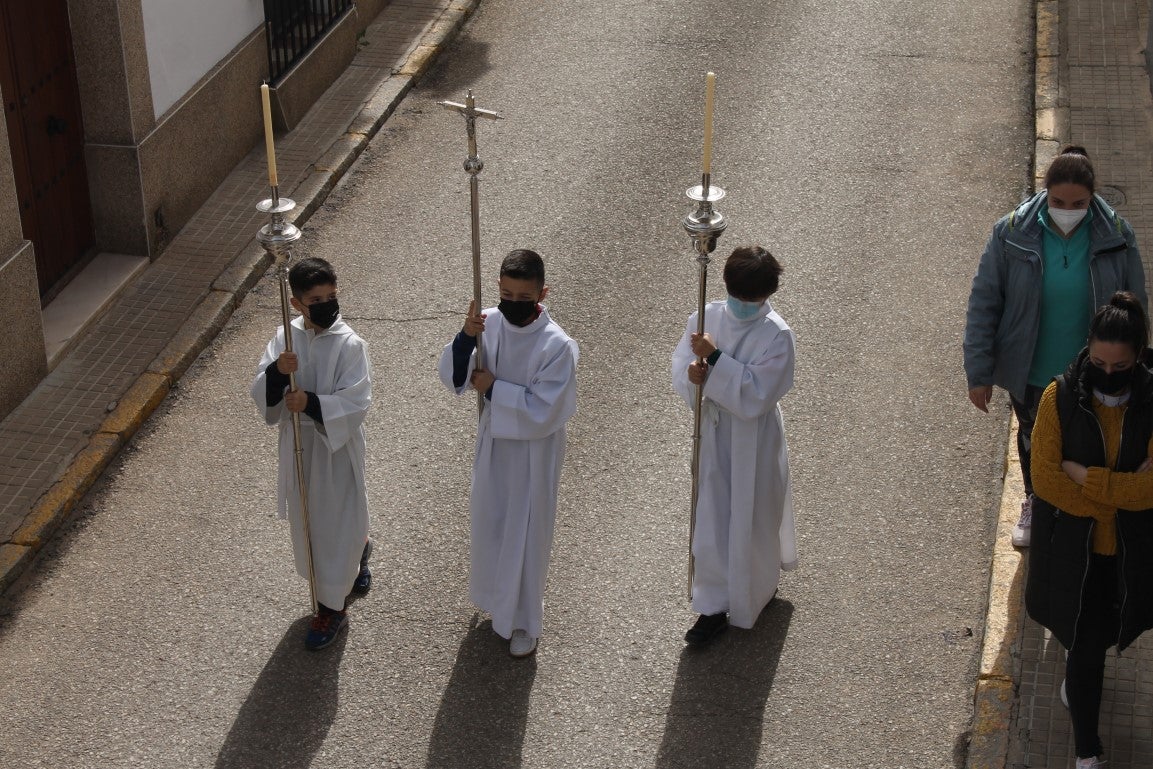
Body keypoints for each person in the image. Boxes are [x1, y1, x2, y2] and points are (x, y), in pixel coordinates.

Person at [964, 145, 1147, 548]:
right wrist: (979, 372)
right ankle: (1034, 501)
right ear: (1044, 193)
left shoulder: (1117, 234)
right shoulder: (1012, 232)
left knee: (1086, 442)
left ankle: (1082, 513)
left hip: (1095, 368)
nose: (1068, 209)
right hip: (1030, 370)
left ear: (1092, 197)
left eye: (1078, 203)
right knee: (1034, 440)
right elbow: (984, 303)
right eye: (1058, 201)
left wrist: (1138, 363)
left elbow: (1136, 306)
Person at [1027, 291, 1153, 769]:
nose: (1107, 372)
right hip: (1077, 554)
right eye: (1099, 361)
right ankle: (1086, 750)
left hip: (1132, 552)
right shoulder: (1059, 397)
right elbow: (1045, 478)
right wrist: (1116, 498)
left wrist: (1087, 476)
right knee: (1085, 650)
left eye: (1120, 367)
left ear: (1138, 358)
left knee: (1106, 634)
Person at [438, 249, 578, 658]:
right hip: (496, 443)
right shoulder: (488, 323)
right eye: (506, 293)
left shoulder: (557, 345)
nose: (513, 303)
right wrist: (466, 337)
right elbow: (455, 378)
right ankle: (497, 600)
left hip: (535, 451)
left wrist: (496, 389)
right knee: (493, 522)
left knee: (528, 531)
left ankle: (525, 621)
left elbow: (548, 409)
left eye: (523, 296)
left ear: (542, 292)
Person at [671, 245, 797, 646]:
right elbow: (679, 366)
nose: (743, 305)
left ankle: (756, 589)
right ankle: (711, 605)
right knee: (712, 515)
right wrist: (692, 375)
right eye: (738, 296)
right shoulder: (705, 317)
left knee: (755, 515)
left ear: (768, 295)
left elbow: (758, 393)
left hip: (754, 438)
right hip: (715, 432)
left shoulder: (776, 334)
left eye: (752, 299)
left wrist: (716, 359)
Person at [250, 257, 373, 651]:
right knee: (311, 524)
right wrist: (275, 373)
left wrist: (313, 403)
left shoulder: (350, 344)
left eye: (332, 295)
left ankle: (331, 607)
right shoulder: (285, 339)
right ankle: (359, 552)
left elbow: (357, 401)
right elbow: (261, 392)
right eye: (316, 298)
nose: (326, 304)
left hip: (333, 446)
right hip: (300, 447)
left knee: (336, 522)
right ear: (297, 303)